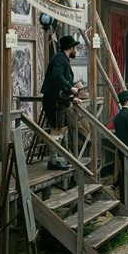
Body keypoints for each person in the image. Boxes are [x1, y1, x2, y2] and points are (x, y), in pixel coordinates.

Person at [40, 35, 82, 170]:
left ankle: (59, 158)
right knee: (57, 129)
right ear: (70, 48)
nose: (76, 50)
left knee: (61, 128)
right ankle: (52, 161)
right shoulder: (59, 58)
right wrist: (71, 88)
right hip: (54, 101)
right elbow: (57, 76)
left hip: (59, 100)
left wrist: (71, 95)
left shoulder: (63, 58)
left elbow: (60, 82)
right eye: (75, 47)